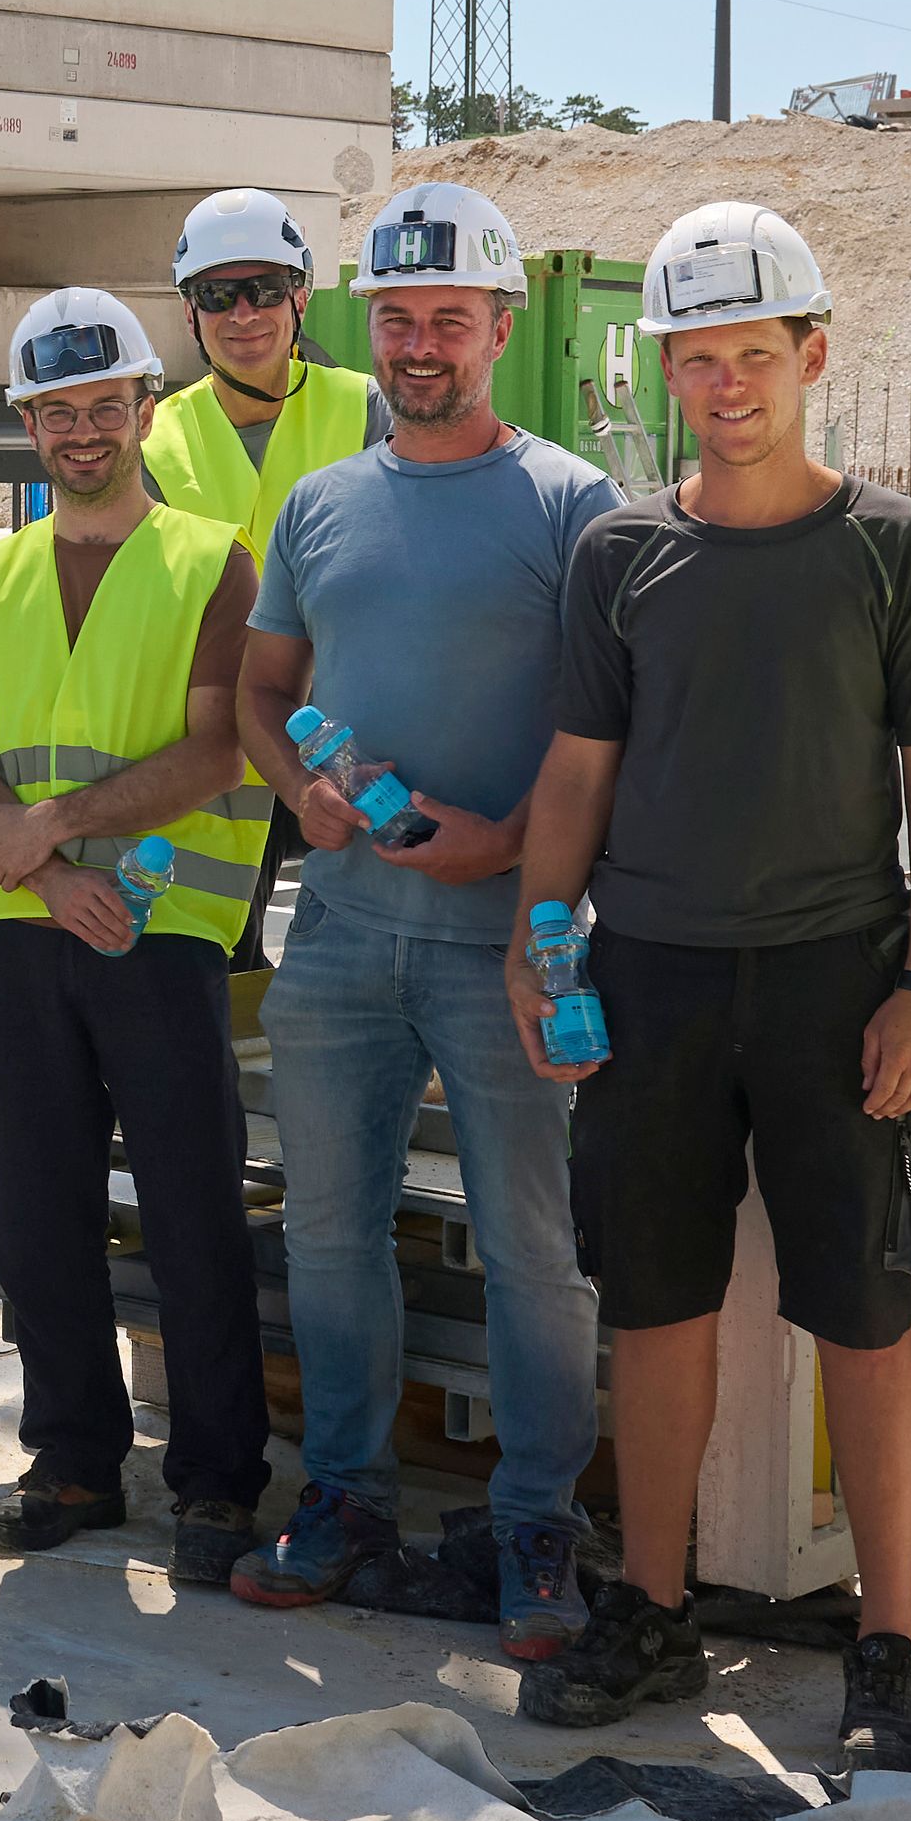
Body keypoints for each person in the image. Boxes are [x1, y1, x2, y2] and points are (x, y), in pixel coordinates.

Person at [503, 203, 911, 1772]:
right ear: (663, 368)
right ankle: (651, 1600)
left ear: (814, 353)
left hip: (839, 982)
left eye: (752, 355)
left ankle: (891, 1635)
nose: (725, 385)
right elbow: (579, 770)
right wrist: (538, 931)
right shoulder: (622, 549)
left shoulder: (892, 547)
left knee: (867, 1313)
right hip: (647, 981)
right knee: (655, 1302)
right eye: (695, 358)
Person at [232, 182, 615, 1658]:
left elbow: (608, 737)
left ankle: (535, 1520)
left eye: (451, 316)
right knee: (331, 1233)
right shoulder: (321, 503)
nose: (420, 343)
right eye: (395, 317)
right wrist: (299, 795)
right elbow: (267, 695)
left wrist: (516, 850)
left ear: (503, 327)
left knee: (533, 1246)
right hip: (335, 933)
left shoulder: (573, 505)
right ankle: (346, 1496)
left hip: (508, 944)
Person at [0, 292, 270, 1573]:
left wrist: (58, 832)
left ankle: (216, 1484)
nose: (83, 431)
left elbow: (214, 743)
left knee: (191, 1204)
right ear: (27, 423)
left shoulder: (208, 560)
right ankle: (71, 1460)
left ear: (143, 407)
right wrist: (30, 863)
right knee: (34, 1205)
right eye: (55, 411)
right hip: (18, 922)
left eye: (103, 406)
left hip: (164, 920)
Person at [140, 188, 384, 971]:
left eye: (265, 290)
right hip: (213, 745)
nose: (243, 314)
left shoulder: (367, 411)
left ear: (301, 296)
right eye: (217, 295)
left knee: (366, 956)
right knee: (218, 967)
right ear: (190, 313)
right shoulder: (156, 438)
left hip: (353, 733)